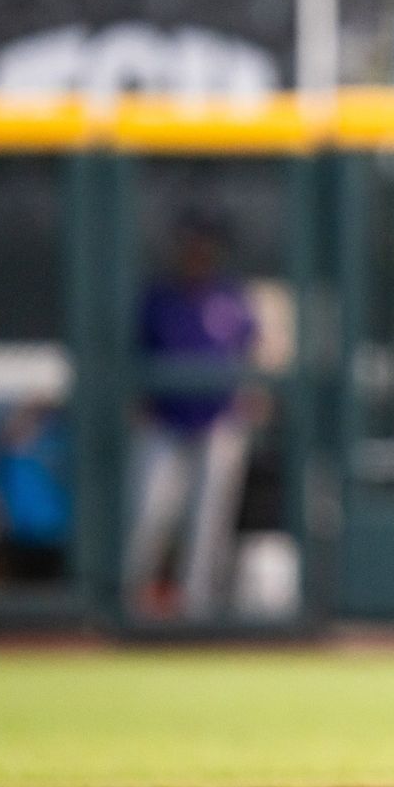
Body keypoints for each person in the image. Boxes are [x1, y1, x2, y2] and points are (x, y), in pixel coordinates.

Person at [123, 210, 260, 621]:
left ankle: (195, 607)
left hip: (217, 421)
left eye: (205, 245)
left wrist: (248, 400)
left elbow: (253, 355)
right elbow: (134, 356)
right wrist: (139, 405)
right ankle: (130, 604)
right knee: (149, 510)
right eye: (191, 244)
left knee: (208, 518)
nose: (198, 253)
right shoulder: (159, 297)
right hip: (164, 420)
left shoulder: (231, 297)